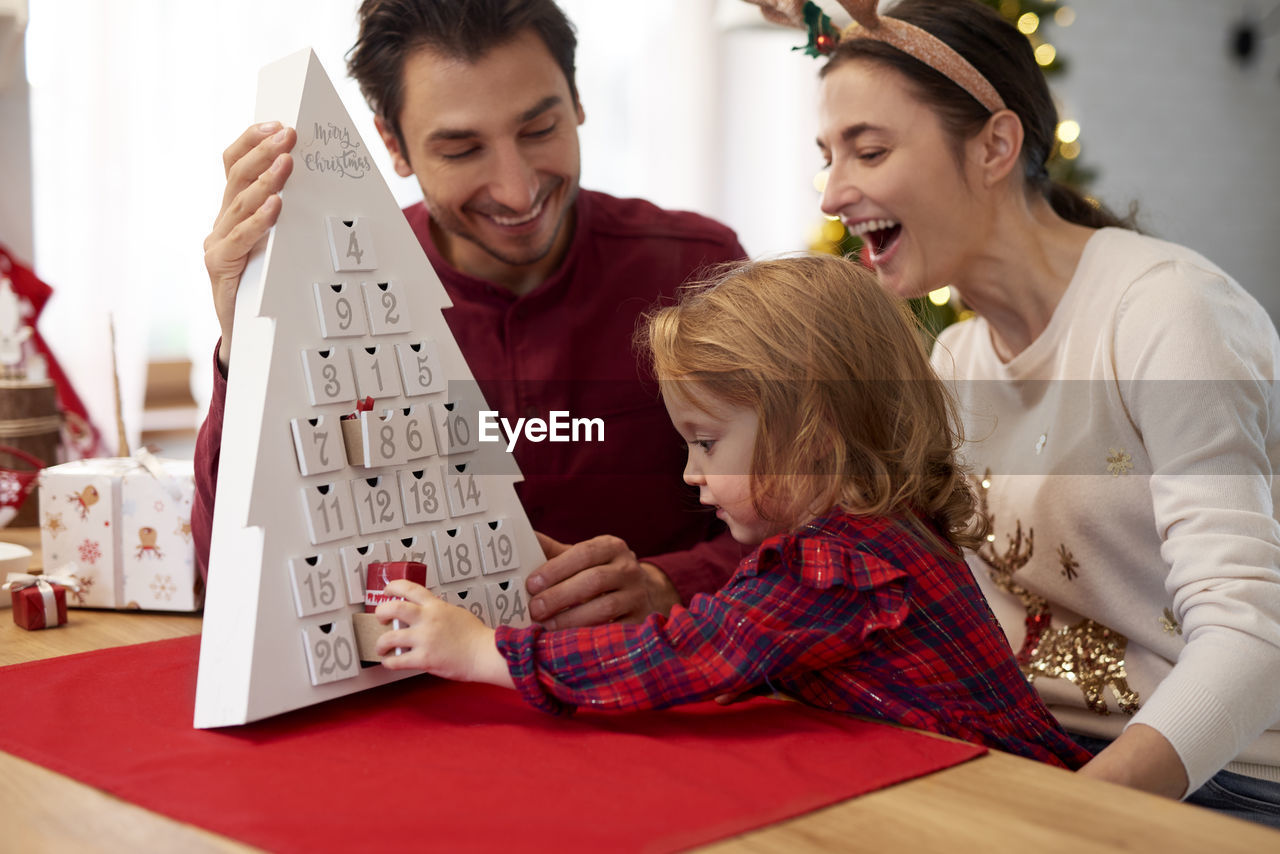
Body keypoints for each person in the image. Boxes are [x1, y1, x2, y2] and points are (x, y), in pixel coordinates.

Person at [772, 0, 1280, 825]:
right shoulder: (953, 361)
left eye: (869, 150)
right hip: (1032, 753)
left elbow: (1255, 642)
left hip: (1223, 781)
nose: (832, 193)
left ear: (996, 147)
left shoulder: (1165, 310)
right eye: (827, 157)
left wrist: (1069, 818)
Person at [368, 254, 1094, 770]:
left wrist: (478, 649)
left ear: (814, 432)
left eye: (706, 443)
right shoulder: (885, 526)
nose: (692, 474)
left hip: (1011, 812)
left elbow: (678, 656)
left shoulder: (838, 565)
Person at [195, 0, 749, 629]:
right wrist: (245, 342)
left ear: (577, 103)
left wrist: (667, 585)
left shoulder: (702, 271)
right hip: (417, 698)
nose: (517, 191)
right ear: (393, 145)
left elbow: (811, 524)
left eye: (540, 130)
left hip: (653, 683)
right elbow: (234, 574)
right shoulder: (338, 293)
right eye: (461, 150)